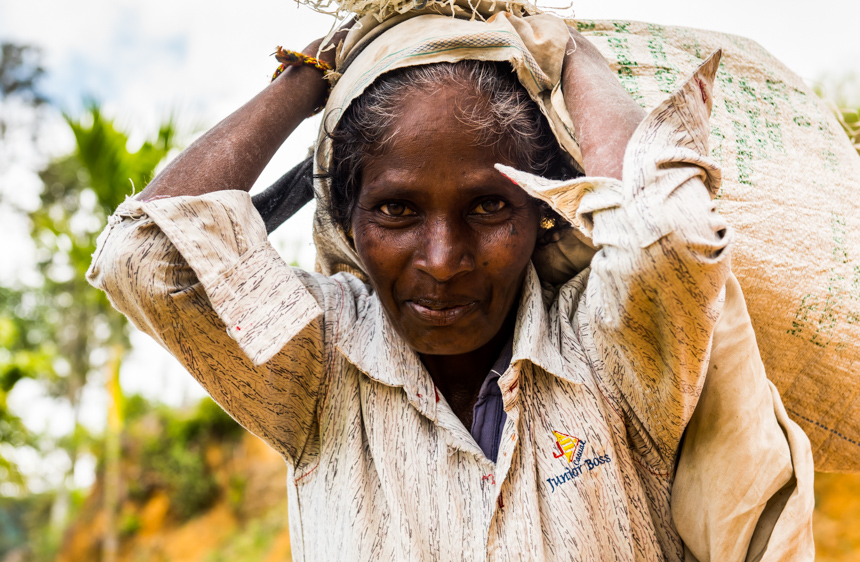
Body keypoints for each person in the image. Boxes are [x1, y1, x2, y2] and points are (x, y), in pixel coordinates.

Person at [87, 10, 814, 561]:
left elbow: (670, 228)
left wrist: (564, 51)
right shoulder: (317, 368)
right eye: (397, 210)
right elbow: (146, 256)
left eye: (489, 206)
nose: (442, 259)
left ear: (543, 213)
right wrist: (314, 72)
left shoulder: (610, 347)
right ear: (348, 219)